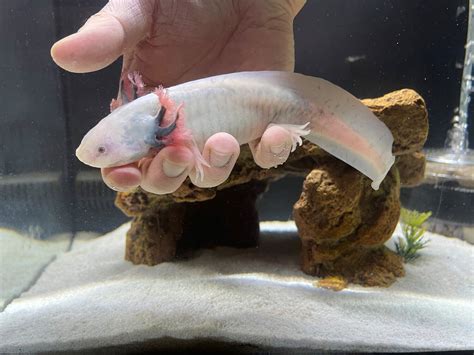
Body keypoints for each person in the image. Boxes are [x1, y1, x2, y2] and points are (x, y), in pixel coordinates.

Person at [51, 0, 306, 194]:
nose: (97, 155)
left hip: (274, 96)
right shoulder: (145, 115)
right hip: (268, 92)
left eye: (102, 149)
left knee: (285, 127)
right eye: (101, 148)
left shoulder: (163, 126)